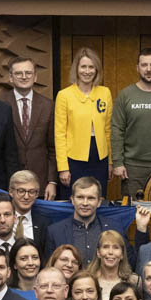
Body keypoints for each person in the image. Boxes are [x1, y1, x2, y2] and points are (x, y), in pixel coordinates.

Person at [55, 48, 113, 196]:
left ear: (96, 69)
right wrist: (63, 167)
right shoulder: (64, 95)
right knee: (75, 201)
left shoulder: (105, 92)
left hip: (100, 158)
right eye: (83, 67)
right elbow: (60, 134)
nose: (87, 71)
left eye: (91, 67)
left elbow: (108, 130)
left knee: (98, 199)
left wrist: (110, 162)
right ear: (76, 69)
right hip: (74, 160)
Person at [4, 58, 57, 199]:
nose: (24, 77)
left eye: (28, 73)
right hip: (9, 182)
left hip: (40, 182)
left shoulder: (48, 106)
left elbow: (53, 148)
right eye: (18, 73)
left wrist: (52, 181)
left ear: (35, 77)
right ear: (10, 77)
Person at [47, 176, 107, 262]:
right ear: (72, 200)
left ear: (99, 202)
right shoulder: (55, 232)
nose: (85, 203)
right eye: (80, 197)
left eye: (91, 198)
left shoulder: (114, 228)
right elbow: (50, 268)